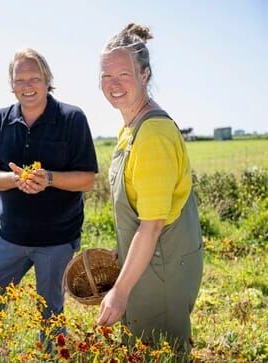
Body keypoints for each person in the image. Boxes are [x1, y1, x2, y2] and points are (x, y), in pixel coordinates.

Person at [0, 48, 98, 349]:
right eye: (20, 80)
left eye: (35, 78)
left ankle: (51, 357)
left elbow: (87, 179)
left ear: (47, 80)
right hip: (9, 237)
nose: (27, 86)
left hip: (57, 240)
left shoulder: (72, 118)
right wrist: (16, 179)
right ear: (12, 84)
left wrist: (50, 179)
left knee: (51, 314)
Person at [96, 23, 203, 355]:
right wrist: (123, 248)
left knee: (160, 352)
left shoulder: (153, 134)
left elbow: (154, 223)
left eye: (123, 74)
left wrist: (120, 291)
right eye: (105, 75)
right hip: (147, 262)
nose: (113, 84)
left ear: (144, 75)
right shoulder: (130, 128)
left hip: (162, 271)